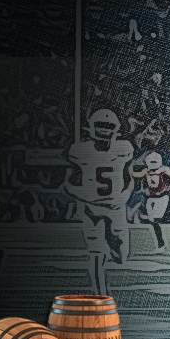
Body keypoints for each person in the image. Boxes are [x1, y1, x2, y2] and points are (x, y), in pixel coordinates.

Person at [64, 108, 134, 294]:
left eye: (108, 125)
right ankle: (100, 294)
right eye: (100, 125)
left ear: (116, 129)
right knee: (95, 252)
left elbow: (130, 178)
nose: (104, 130)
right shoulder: (79, 150)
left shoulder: (124, 149)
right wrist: (86, 196)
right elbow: (68, 183)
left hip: (116, 207)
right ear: (91, 127)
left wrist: (124, 196)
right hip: (90, 208)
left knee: (121, 256)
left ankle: (111, 247)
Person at [133, 151, 170, 253]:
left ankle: (161, 244)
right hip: (151, 198)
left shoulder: (164, 170)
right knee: (153, 221)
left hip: (162, 197)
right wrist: (144, 189)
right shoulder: (146, 171)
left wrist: (169, 192)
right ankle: (142, 217)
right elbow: (138, 178)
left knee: (155, 220)